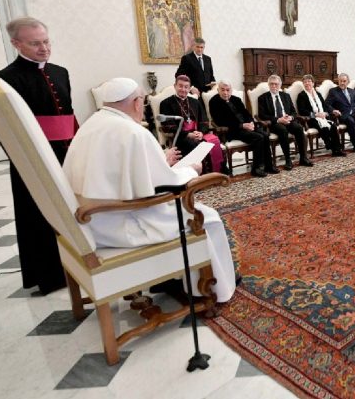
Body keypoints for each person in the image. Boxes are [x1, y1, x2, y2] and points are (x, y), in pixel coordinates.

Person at [62, 78, 236, 303]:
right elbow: (167, 184)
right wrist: (191, 170)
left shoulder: (91, 124)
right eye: (143, 102)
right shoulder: (134, 132)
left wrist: (162, 159)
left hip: (93, 221)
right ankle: (214, 287)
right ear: (136, 102)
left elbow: (122, 172)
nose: (143, 108)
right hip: (125, 223)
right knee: (207, 217)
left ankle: (171, 277)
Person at [0, 17, 75, 294]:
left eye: (46, 41)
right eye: (35, 43)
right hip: (33, 158)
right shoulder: (4, 80)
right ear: (16, 43)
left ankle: (78, 264)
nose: (44, 48)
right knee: (39, 214)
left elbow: (68, 114)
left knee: (71, 209)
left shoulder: (61, 72)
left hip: (66, 152)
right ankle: (50, 275)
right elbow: (6, 128)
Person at [208, 80, 280, 176]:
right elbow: (220, 121)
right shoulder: (214, 102)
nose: (225, 93)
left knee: (265, 135)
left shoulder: (236, 99)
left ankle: (268, 166)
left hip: (246, 126)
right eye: (223, 90)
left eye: (228, 90)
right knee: (259, 137)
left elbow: (246, 113)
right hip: (232, 130)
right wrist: (241, 125)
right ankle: (256, 169)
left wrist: (251, 122)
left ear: (231, 90)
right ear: (218, 90)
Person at [159, 75, 226, 174]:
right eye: (180, 86)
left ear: (189, 88)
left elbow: (204, 121)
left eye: (186, 87)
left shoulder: (195, 102)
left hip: (197, 134)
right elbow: (168, 126)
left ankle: (219, 172)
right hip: (180, 138)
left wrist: (201, 133)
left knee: (214, 141)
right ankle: (203, 175)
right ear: (175, 86)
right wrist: (187, 134)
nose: (183, 89)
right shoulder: (166, 103)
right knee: (195, 145)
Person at [257, 74, 313, 170]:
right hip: (274, 123)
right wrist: (278, 119)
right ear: (268, 85)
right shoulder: (263, 98)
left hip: (287, 120)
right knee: (282, 130)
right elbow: (262, 115)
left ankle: (303, 158)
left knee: (299, 128)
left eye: (276, 84)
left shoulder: (286, 96)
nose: (274, 86)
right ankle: (288, 160)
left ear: (280, 85)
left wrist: (290, 117)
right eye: (271, 84)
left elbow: (293, 112)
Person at [296, 74, 347, 156]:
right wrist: (316, 115)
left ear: (313, 83)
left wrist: (325, 113)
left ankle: (337, 150)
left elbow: (324, 106)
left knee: (333, 127)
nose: (307, 83)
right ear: (303, 84)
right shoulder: (301, 95)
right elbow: (302, 111)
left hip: (322, 117)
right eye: (305, 82)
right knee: (324, 128)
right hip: (311, 119)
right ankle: (331, 146)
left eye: (309, 81)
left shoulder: (318, 94)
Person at [325, 73, 355, 153]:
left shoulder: (352, 91)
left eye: (344, 81)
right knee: (351, 121)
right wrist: (333, 110)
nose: (342, 83)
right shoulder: (333, 91)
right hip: (343, 115)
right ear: (338, 81)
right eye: (340, 81)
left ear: (348, 82)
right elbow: (327, 104)